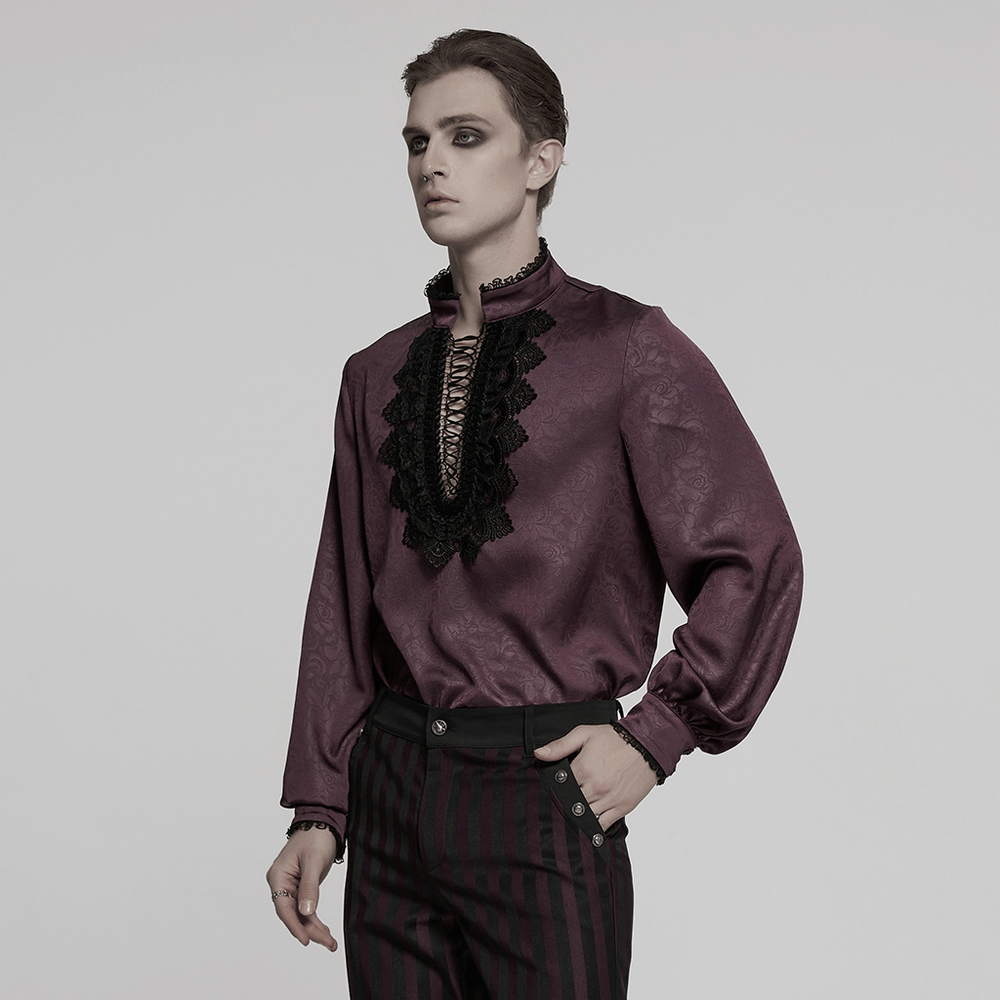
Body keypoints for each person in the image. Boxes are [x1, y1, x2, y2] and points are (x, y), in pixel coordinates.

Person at [267, 28, 802, 1000]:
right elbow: (342, 600)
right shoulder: (374, 373)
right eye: (417, 140)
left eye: (465, 136)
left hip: (540, 791)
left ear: (541, 159)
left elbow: (753, 559)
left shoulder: (628, 349)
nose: (430, 163)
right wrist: (319, 803)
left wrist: (655, 737)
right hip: (391, 792)